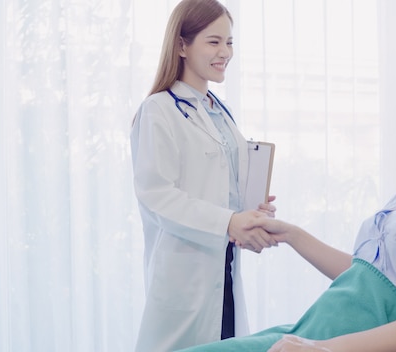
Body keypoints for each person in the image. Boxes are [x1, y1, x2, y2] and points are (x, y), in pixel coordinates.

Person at [175, 65, 396, 352]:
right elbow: (366, 276)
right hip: (322, 325)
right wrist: (292, 235)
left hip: (348, 338)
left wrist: (326, 348)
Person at [129, 0, 278, 351]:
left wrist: (252, 213)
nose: (225, 52)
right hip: (185, 274)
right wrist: (229, 221)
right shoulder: (159, 110)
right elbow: (158, 196)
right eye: (213, 42)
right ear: (182, 45)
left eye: (229, 43)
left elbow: (223, 187)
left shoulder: (218, 111)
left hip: (223, 267)